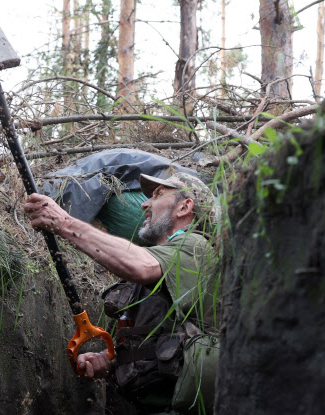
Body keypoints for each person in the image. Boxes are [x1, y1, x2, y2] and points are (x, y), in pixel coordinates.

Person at [24, 171, 220, 415]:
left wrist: (63, 223)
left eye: (158, 194)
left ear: (185, 207)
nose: (144, 204)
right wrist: (110, 361)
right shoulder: (161, 263)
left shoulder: (196, 247)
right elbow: (160, 340)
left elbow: (140, 266)